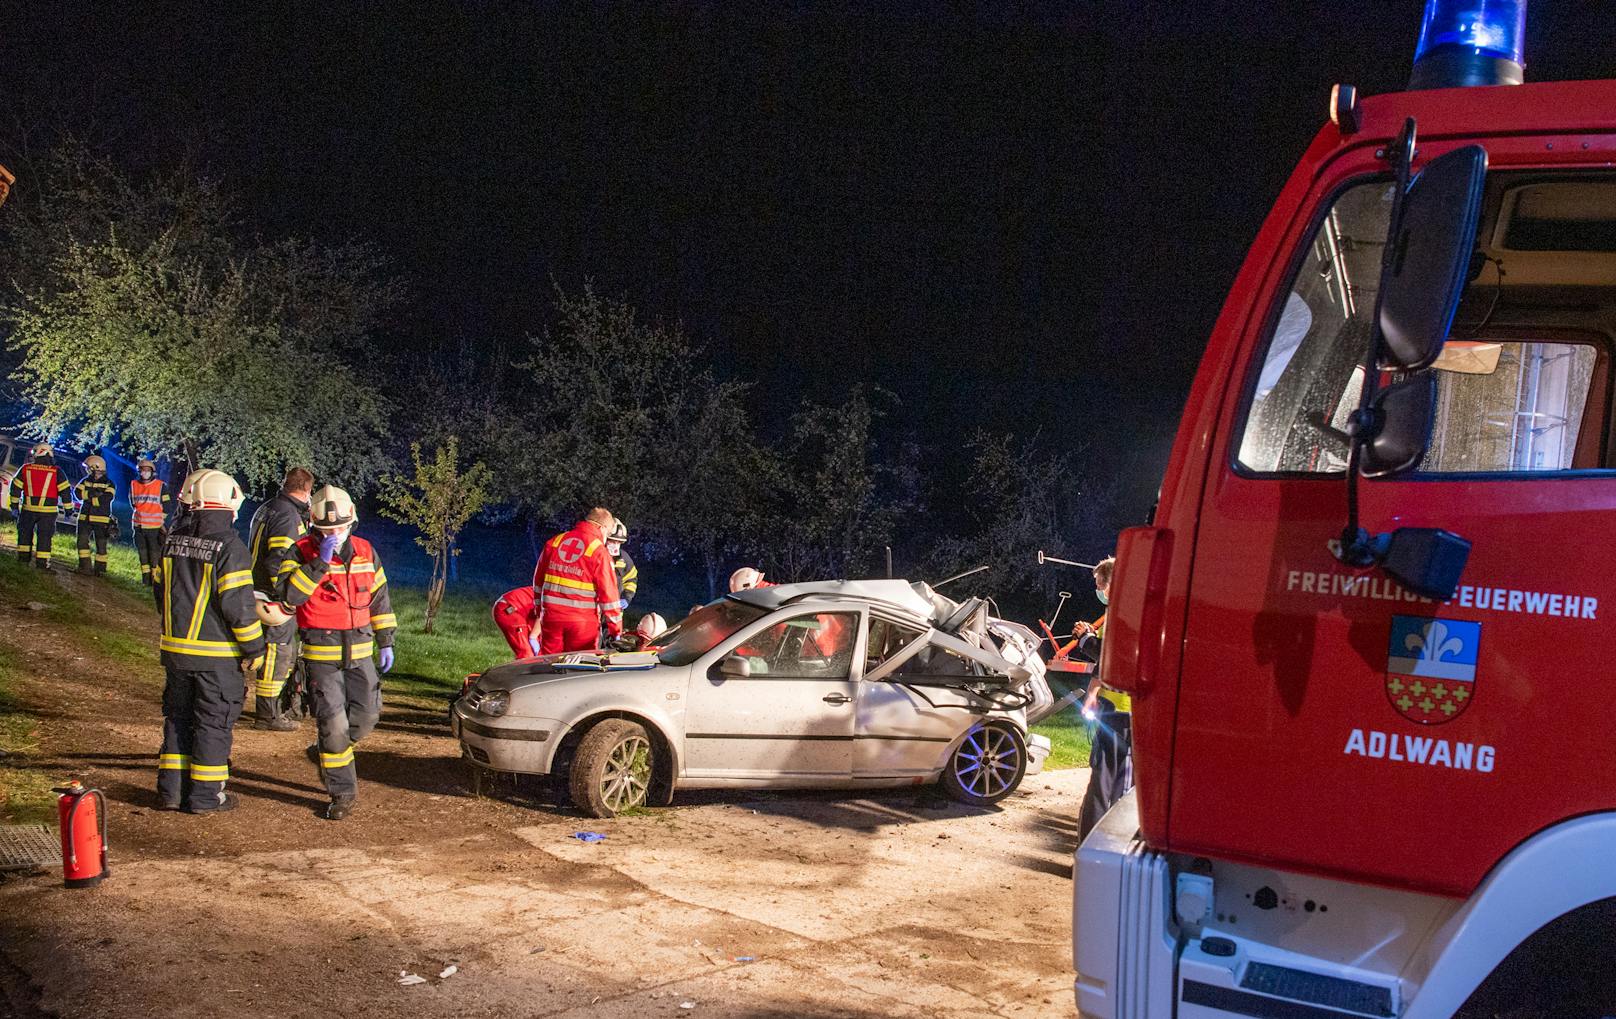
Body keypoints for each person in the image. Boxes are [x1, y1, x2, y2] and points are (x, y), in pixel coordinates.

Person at [275, 485, 396, 821]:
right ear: (314, 527)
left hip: (361, 651)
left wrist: (386, 640)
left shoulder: (366, 551)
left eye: (339, 529)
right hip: (320, 654)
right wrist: (318, 563)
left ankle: (329, 751)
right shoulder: (299, 552)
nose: (334, 535)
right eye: (327, 531)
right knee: (333, 724)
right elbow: (288, 596)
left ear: (351, 523)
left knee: (368, 715)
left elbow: (380, 598)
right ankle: (342, 792)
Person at [152, 469, 266, 813]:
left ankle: (171, 793)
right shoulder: (230, 547)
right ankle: (205, 797)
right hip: (216, 658)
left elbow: (161, 592)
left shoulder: (172, 539)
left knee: (177, 720)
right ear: (230, 504)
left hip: (175, 653)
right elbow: (238, 607)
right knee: (213, 725)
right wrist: (255, 648)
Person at [247, 466, 314, 731]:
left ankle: (265, 709)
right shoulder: (288, 516)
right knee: (279, 651)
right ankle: (268, 714)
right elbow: (279, 558)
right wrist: (288, 596)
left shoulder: (268, 507)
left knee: (266, 651)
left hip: (255, 589)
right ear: (306, 489)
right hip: (273, 595)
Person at [1072, 556, 1131, 841]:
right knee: (1122, 783)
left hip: (1116, 710)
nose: (1098, 590)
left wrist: (1085, 641)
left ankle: (1087, 847)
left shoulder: (1120, 614)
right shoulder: (1134, 612)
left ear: (1111, 583)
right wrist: (1092, 693)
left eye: (1099, 584)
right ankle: (1113, 843)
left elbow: (1110, 659)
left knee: (1102, 782)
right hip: (1134, 713)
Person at [531, 507, 622, 653]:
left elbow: (538, 582)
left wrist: (539, 610)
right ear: (602, 527)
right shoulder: (599, 551)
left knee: (548, 664)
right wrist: (616, 630)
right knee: (579, 666)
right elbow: (609, 595)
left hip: (550, 618)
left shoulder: (555, 542)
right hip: (582, 623)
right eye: (609, 532)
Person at [6, 443, 71, 569]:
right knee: (45, 537)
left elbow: (15, 489)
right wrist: (69, 510)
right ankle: (42, 565)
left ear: (38, 452)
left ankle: (23, 561)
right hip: (48, 512)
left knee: (24, 534)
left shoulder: (25, 469)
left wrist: (14, 506)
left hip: (28, 510)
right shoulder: (57, 472)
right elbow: (66, 492)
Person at [129, 458, 173, 585]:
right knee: (142, 554)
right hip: (138, 526)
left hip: (154, 528)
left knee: (154, 555)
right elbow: (133, 503)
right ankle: (145, 581)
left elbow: (167, 506)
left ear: (152, 472)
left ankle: (155, 582)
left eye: (147, 470)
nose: (144, 473)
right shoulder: (133, 485)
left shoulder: (160, 486)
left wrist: (159, 521)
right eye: (142, 470)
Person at [73, 455, 116, 575]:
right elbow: (77, 493)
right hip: (84, 518)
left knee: (101, 545)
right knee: (82, 542)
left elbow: (107, 498)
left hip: (101, 519)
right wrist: (92, 494)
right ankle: (84, 567)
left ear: (95, 467)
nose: (87, 470)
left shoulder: (109, 484)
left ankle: (100, 571)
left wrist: (88, 498)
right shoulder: (86, 480)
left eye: (89, 468)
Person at [492, 585, 540, 659]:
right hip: (510, 608)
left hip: (524, 611)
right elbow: (545, 613)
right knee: (527, 654)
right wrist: (533, 637)